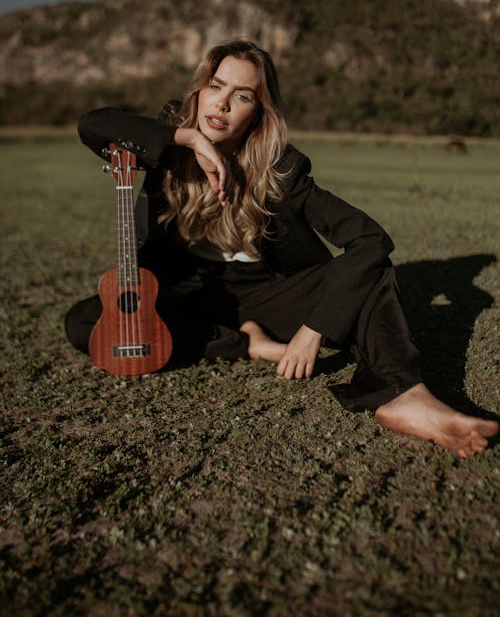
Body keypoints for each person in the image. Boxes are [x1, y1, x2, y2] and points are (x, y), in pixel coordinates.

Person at [66, 38, 498, 458]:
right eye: (215, 87)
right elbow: (93, 124)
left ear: (257, 113)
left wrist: (314, 329)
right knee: (86, 320)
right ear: (198, 92)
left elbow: (369, 240)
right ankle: (247, 344)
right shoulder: (166, 146)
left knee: (374, 272)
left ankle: (404, 395)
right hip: (190, 294)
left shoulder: (283, 171)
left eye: (242, 96)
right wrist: (191, 141)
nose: (222, 104)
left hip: (269, 293)